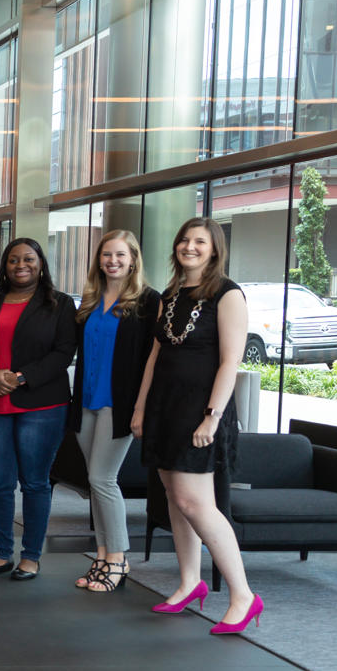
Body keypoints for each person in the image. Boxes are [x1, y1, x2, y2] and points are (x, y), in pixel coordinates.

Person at [134, 217, 262, 634]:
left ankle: (244, 595)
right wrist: (140, 409)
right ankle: (190, 581)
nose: (190, 247)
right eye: (184, 240)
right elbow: (155, 357)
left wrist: (213, 415)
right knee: (174, 497)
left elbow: (231, 361)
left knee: (196, 503)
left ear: (214, 249)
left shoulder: (228, 294)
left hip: (201, 412)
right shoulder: (170, 295)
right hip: (164, 408)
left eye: (200, 242)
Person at [0, 237, 76, 582]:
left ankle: (31, 556)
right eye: (13, 260)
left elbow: (63, 351)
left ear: (41, 264)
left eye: (28, 259)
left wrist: (21, 378)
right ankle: (1, 553)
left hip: (41, 404)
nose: (20, 265)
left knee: (35, 483)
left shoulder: (59, 304)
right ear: (4, 265)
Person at [69, 230, 160, 593]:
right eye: (107, 255)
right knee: (95, 482)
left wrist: (141, 408)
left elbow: (154, 359)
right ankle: (103, 555)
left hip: (118, 403)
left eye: (120, 255)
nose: (113, 261)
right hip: (87, 401)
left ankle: (119, 559)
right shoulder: (90, 300)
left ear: (133, 259)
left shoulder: (148, 301)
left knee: (103, 480)